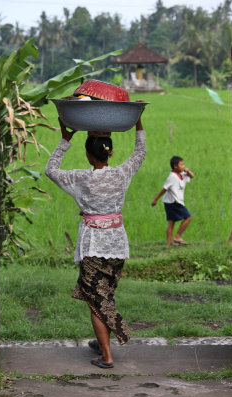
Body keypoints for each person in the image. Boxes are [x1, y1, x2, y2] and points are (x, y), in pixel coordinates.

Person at [45, 114, 146, 369]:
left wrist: (65, 140)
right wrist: (138, 122)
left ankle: (107, 355)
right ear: (109, 153)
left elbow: (50, 170)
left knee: (96, 301)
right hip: (117, 246)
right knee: (106, 295)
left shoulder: (82, 178)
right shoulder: (122, 173)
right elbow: (140, 152)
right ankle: (102, 341)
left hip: (93, 246)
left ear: (90, 156)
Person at [151, 156, 194, 247]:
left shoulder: (181, 174)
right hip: (174, 202)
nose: (183, 166)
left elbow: (192, 176)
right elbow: (164, 189)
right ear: (175, 166)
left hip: (170, 202)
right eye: (181, 164)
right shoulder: (172, 177)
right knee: (188, 217)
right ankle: (178, 236)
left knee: (171, 222)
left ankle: (168, 244)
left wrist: (188, 171)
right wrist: (155, 199)